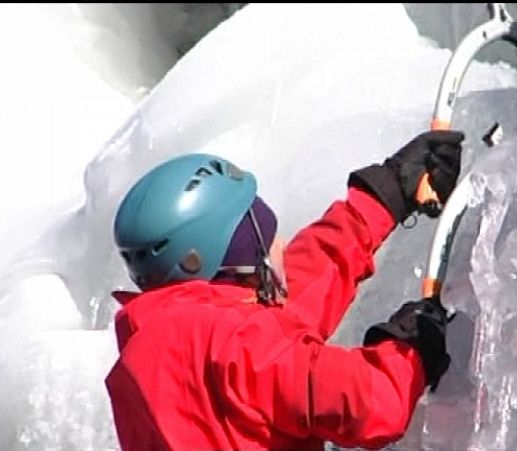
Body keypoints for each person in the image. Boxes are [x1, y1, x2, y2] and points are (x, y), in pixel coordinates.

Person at [106, 129, 465, 451]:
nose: (281, 245)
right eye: (267, 236)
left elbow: (293, 301)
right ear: (237, 257)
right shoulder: (238, 343)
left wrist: (386, 194)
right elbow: (372, 403)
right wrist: (411, 347)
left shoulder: (166, 343)